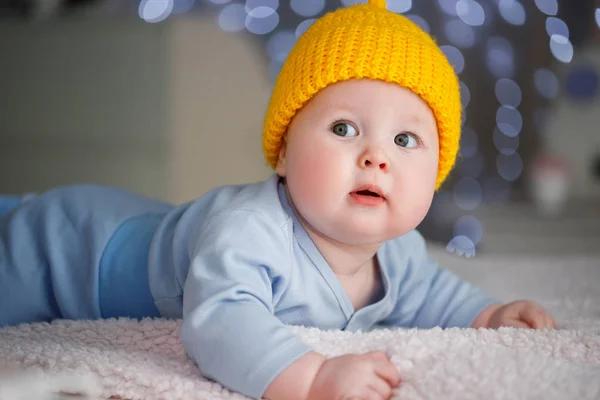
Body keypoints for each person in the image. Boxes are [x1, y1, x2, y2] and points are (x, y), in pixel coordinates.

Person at [0, 1, 557, 399]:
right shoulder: (250, 229)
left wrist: (489, 314)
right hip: (70, 249)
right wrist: (311, 378)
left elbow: (437, 295)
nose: (375, 156)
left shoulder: (401, 252)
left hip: (127, 221)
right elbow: (219, 320)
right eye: (343, 128)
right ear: (284, 152)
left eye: (405, 140)